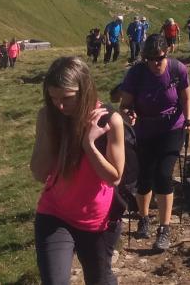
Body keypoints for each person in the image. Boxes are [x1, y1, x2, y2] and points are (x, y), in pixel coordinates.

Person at [30, 55, 125, 285]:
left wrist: (89, 145)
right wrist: (49, 132)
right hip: (55, 213)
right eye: (53, 98)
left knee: (100, 280)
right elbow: (39, 173)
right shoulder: (48, 117)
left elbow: (114, 178)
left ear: (84, 91)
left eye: (67, 98)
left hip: (97, 221)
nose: (59, 105)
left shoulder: (110, 121)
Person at [118, 34, 190, 252]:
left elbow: (186, 98)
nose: (154, 63)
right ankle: (143, 219)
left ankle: (164, 228)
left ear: (166, 53)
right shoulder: (135, 74)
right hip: (144, 130)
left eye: (158, 58)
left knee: (163, 174)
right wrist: (128, 114)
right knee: (144, 179)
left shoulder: (178, 70)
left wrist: (188, 118)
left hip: (173, 128)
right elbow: (124, 105)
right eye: (149, 59)